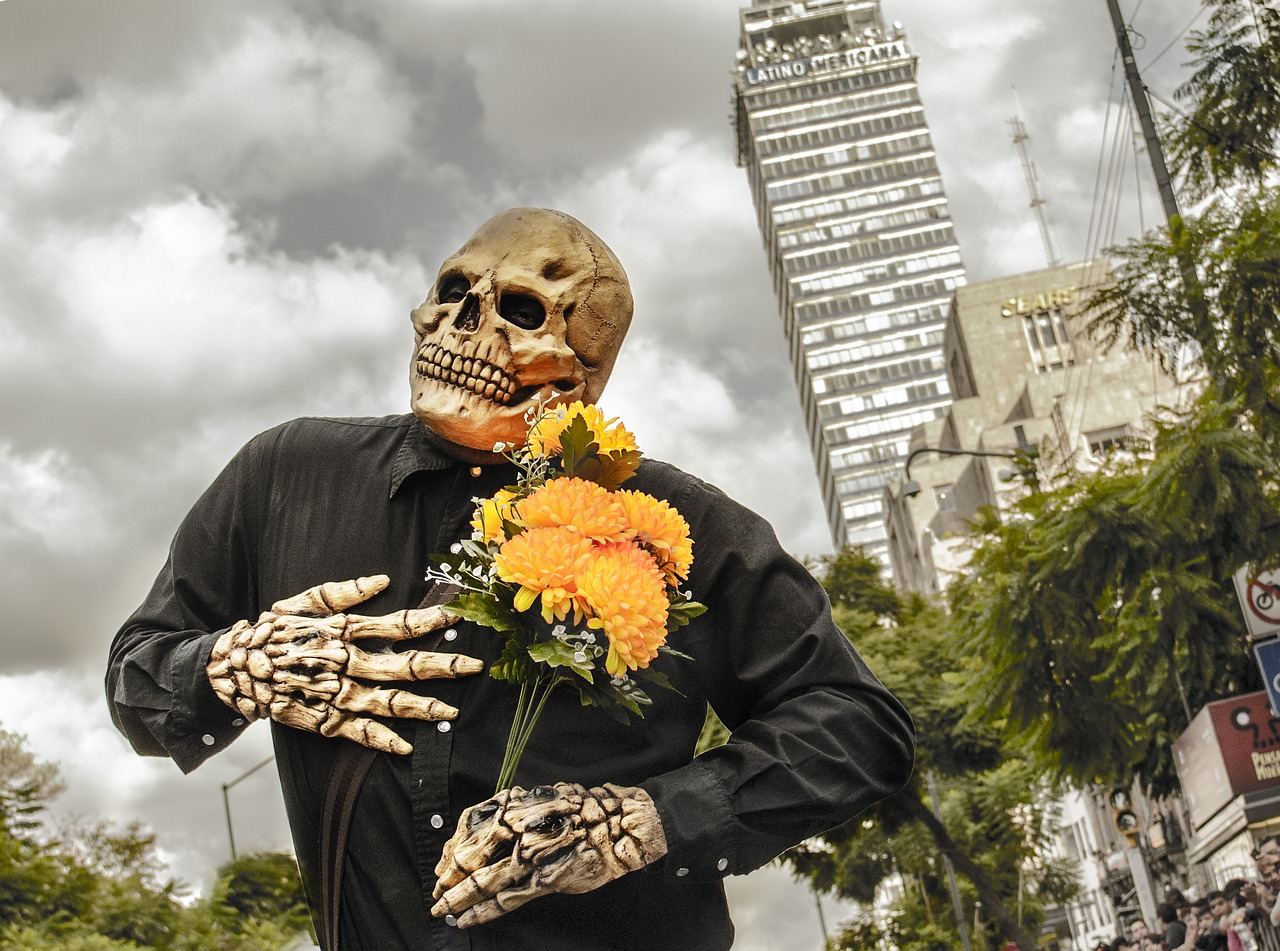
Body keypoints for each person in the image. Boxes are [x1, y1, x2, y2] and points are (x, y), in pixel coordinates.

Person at [105, 208, 916, 950]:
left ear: (581, 371)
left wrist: (634, 823)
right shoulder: (285, 475)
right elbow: (138, 678)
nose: (465, 325)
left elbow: (856, 722)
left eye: (521, 312)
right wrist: (241, 664)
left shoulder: (682, 522)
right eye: (454, 292)